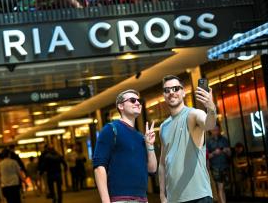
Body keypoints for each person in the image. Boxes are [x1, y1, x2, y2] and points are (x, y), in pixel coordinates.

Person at [158, 75, 217, 203]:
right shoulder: (163, 127)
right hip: (174, 199)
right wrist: (162, 195)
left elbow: (209, 124)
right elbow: (162, 164)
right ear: (163, 95)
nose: (171, 93)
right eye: (167, 90)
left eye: (175, 89)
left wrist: (211, 108)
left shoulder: (193, 114)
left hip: (199, 196)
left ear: (183, 92)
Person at [93, 89, 157, 203]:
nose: (137, 103)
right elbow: (99, 167)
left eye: (139, 100)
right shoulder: (111, 129)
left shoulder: (140, 137)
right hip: (120, 199)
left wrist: (150, 145)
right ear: (121, 106)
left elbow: (152, 169)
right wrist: (105, 200)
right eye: (132, 100)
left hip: (142, 198)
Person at [207, 125, 231, 203]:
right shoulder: (208, 142)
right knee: (220, 187)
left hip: (224, 165)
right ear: (211, 131)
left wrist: (226, 150)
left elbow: (230, 154)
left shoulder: (224, 140)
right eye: (214, 130)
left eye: (217, 129)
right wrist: (214, 153)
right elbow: (206, 156)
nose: (216, 131)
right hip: (215, 167)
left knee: (223, 187)